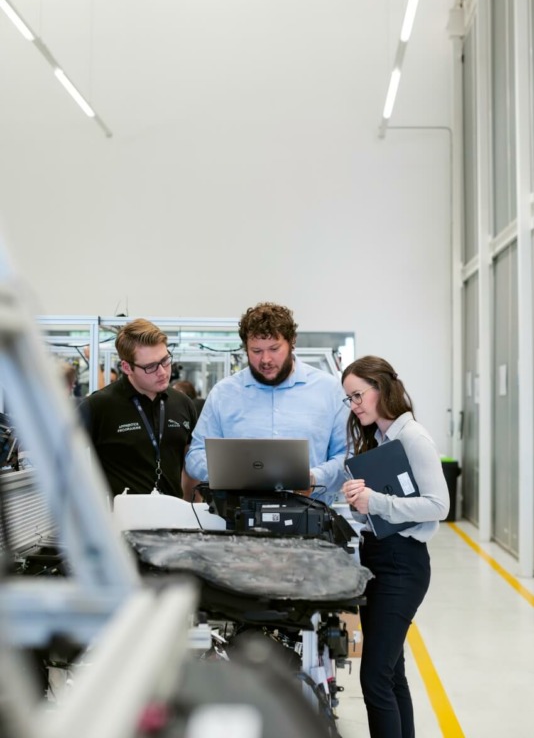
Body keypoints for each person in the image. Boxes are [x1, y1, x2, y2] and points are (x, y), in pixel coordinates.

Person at [341, 356, 449, 738]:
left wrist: (377, 502)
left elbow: (439, 506)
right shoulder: (381, 441)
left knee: (374, 678)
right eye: (349, 399)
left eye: (358, 395)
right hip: (379, 558)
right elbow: (382, 510)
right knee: (391, 673)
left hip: (403, 566)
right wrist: (359, 505)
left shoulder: (412, 437)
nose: (354, 405)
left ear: (381, 388)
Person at [184, 302, 347, 502]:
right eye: (256, 351)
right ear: (245, 348)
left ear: (292, 342)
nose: (266, 360)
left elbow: (347, 456)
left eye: (274, 348)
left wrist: (314, 477)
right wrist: (230, 474)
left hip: (310, 519)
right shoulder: (224, 393)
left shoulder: (328, 390)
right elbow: (195, 455)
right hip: (238, 521)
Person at [79, 318, 197, 499]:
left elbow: (191, 465)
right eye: (150, 367)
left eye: (165, 360)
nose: (163, 372)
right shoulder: (98, 407)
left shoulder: (183, 404)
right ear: (127, 367)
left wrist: (192, 510)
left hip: (175, 519)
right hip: (121, 522)